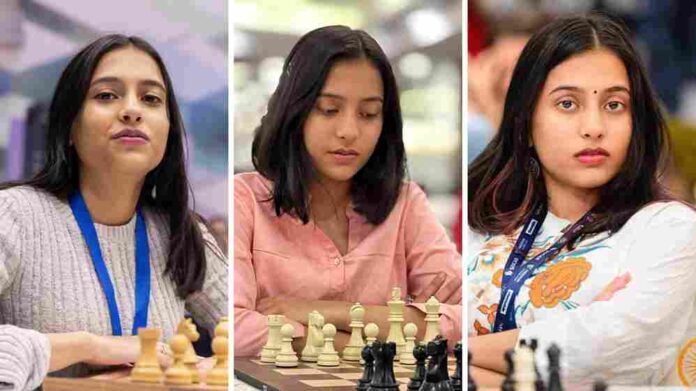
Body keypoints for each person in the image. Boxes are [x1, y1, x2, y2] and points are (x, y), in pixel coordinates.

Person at [467, 14, 696, 386]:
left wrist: (464, 354)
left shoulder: (669, 229)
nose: (594, 127)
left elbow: (600, 351)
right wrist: (564, 332)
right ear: (525, 123)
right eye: (568, 104)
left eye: (614, 105)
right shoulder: (486, 228)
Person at [0, 35, 228, 387]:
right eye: (106, 95)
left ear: (167, 130)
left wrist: (212, 370)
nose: (132, 110)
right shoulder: (13, 215)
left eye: (151, 98)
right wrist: (89, 347)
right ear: (70, 127)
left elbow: (251, 332)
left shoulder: (181, 232)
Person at [234, 25, 462, 357]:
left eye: (369, 114)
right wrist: (385, 339)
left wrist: (314, 311)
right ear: (295, 110)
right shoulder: (246, 200)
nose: (349, 131)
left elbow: (463, 317)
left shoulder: (406, 203)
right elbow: (238, 330)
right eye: (329, 109)